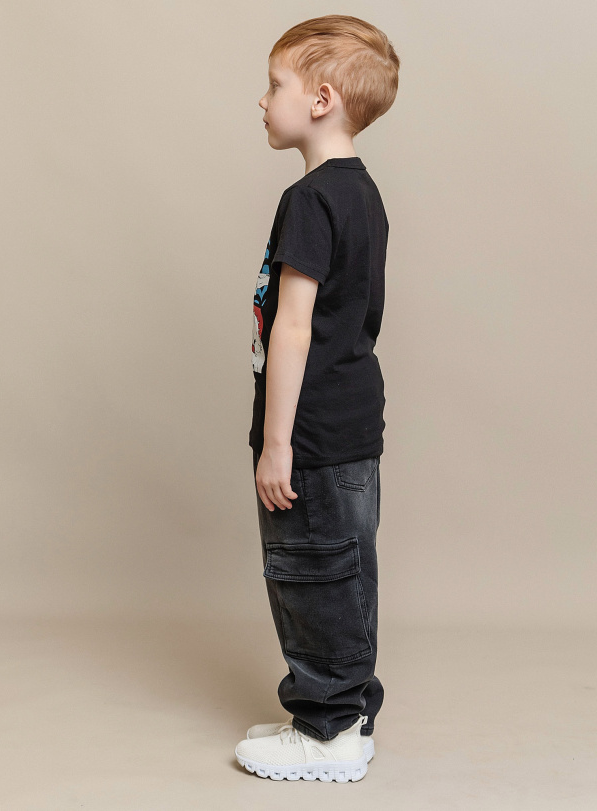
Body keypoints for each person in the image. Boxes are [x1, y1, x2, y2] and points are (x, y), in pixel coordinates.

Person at [235, 14, 400, 783]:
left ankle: (327, 728)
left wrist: (277, 443)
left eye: (275, 85)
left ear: (322, 99)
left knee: (309, 572)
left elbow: (294, 327)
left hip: (313, 432)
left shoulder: (310, 199)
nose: (262, 100)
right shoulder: (362, 194)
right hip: (353, 423)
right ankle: (348, 711)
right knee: (346, 572)